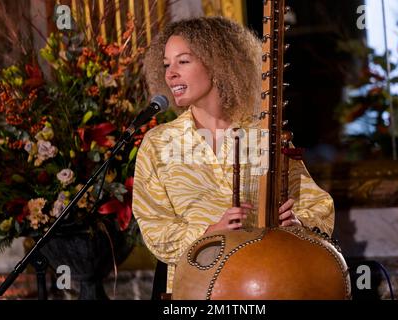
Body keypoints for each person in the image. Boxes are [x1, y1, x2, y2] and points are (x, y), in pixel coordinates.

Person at [132, 16, 334, 297]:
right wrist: (208, 233)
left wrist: (298, 222)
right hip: (193, 288)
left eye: (183, 61)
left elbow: (319, 206)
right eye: (167, 64)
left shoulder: (263, 136)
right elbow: (154, 226)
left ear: (217, 64)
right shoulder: (158, 143)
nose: (170, 73)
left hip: (264, 283)